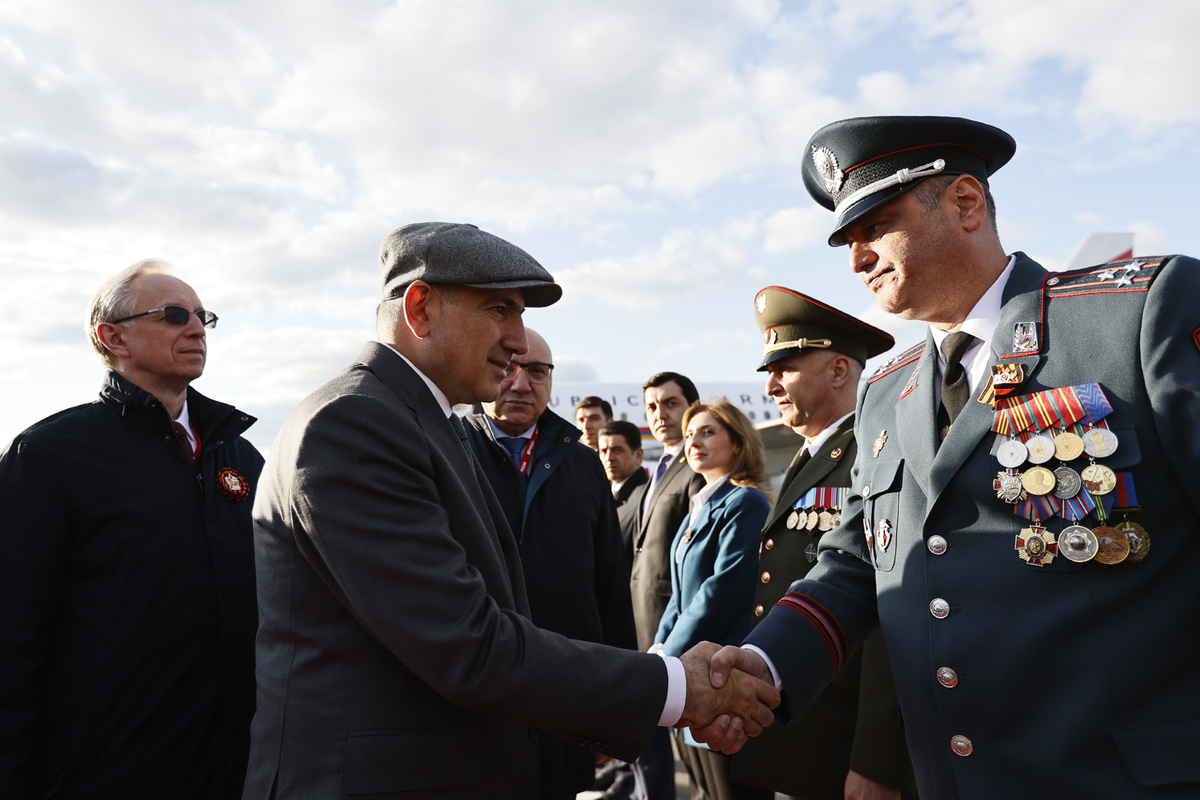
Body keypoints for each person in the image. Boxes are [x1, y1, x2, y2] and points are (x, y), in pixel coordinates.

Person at [700, 116, 1200, 798]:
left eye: (876, 227)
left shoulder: (1134, 319)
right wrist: (765, 664)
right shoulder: (885, 391)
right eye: (848, 241)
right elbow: (855, 561)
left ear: (966, 203)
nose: (857, 260)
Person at [243, 222, 777, 800]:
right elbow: (465, 643)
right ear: (420, 309)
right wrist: (674, 687)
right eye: (499, 310)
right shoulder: (355, 424)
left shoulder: (424, 423)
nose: (519, 341)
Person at [0, 260, 263, 799]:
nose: (197, 329)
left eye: (203, 317)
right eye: (174, 315)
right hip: (106, 774)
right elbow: (12, 635)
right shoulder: (50, 455)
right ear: (112, 337)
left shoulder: (242, 459)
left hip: (237, 773)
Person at [728, 287, 916, 800]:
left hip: (846, 729)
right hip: (805, 715)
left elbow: (889, 604)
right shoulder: (812, 454)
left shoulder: (872, 452)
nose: (770, 386)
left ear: (837, 371)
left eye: (784, 368)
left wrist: (877, 758)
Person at [464, 330, 637, 800]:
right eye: (508, 368)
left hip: (567, 696)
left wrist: (615, 711)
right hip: (474, 699)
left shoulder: (585, 465)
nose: (521, 384)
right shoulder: (447, 451)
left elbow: (610, 590)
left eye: (537, 371)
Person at [652, 401, 771, 800]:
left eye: (707, 432)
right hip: (690, 670)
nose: (694, 442)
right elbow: (679, 595)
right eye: (689, 435)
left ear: (737, 443)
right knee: (703, 790)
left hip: (723, 671)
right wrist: (659, 648)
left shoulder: (745, 502)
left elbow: (720, 590)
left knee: (730, 791)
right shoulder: (696, 510)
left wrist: (669, 655)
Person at [631, 371, 707, 800]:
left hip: (679, 632)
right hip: (651, 628)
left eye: (670, 403)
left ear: (692, 407)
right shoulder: (658, 470)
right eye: (652, 407)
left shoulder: (696, 467)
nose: (660, 414)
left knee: (699, 765)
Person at [600, 419, 649, 556]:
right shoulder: (598, 495)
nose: (609, 458)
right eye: (603, 451)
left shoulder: (647, 497)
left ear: (638, 455)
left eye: (617, 450)